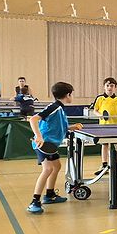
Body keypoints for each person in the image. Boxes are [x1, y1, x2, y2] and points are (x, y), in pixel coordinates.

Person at [26, 82, 83, 214]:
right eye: (71, 94)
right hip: (43, 144)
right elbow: (33, 119)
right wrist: (38, 136)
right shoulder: (54, 107)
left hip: (51, 145)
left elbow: (59, 126)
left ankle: (50, 195)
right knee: (48, 169)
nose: (72, 96)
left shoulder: (60, 109)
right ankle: (34, 201)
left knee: (56, 166)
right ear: (68, 95)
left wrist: (72, 127)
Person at [90, 77, 117, 175]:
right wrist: (100, 116)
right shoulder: (100, 98)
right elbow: (95, 110)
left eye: (112, 86)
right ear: (104, 87)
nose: (109, 87)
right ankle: (104, 165)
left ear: (115, 87)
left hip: (116, 126)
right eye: (107, 85)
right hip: (104, 126)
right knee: (104, 145)